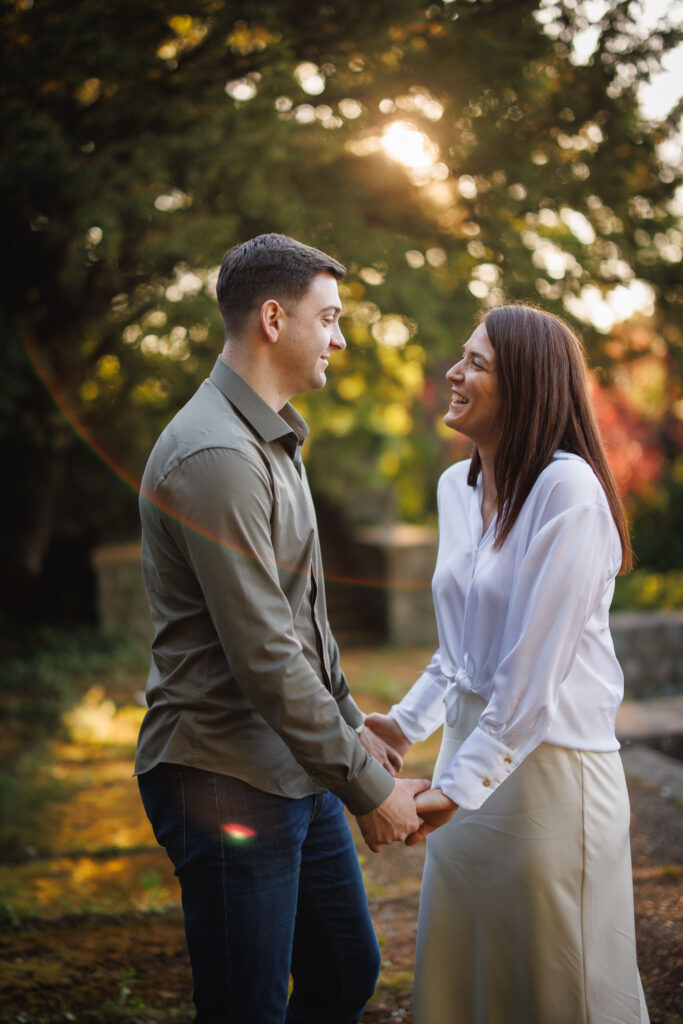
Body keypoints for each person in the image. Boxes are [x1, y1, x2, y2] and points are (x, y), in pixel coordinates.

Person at [134, 233, 429, 1024]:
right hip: (225, 775)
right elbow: (264, 654)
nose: (339, 337)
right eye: (328, 317)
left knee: (343, 971)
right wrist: (371, 791)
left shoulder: (273, 437)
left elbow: (302, 625)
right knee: (246, 1007)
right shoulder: (215, 456)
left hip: (295, 766)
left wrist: (348, 731)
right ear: (273, 318)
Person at [366, 304, 650, 1024]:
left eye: (476, 363)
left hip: (550, 781)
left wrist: (454, 791)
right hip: (471, 760)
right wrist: (401, 727)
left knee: (562, 989)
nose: (453, 374)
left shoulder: (568, 493)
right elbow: (463, 646)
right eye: (459, 357)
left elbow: (531, 673)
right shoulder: (453, 490)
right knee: (467, 985)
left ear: (524, 385)